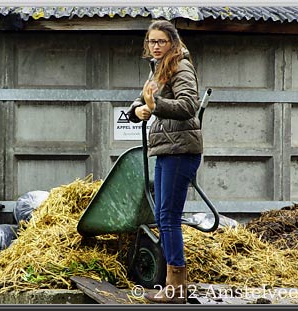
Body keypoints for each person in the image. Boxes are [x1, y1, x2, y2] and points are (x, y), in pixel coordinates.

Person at [126, 19, 203, 304]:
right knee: (162, 217)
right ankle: (172, 286)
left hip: (181, 152)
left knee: (168, 218)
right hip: (166, 150)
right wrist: (139, 111)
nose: (155, 46)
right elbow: (138, 102)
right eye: (151, 41)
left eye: (160, 41)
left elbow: (188, 105)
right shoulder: (159, 69)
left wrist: (155, 106)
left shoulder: (181, 66)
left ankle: (175, 288)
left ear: (172, 42)